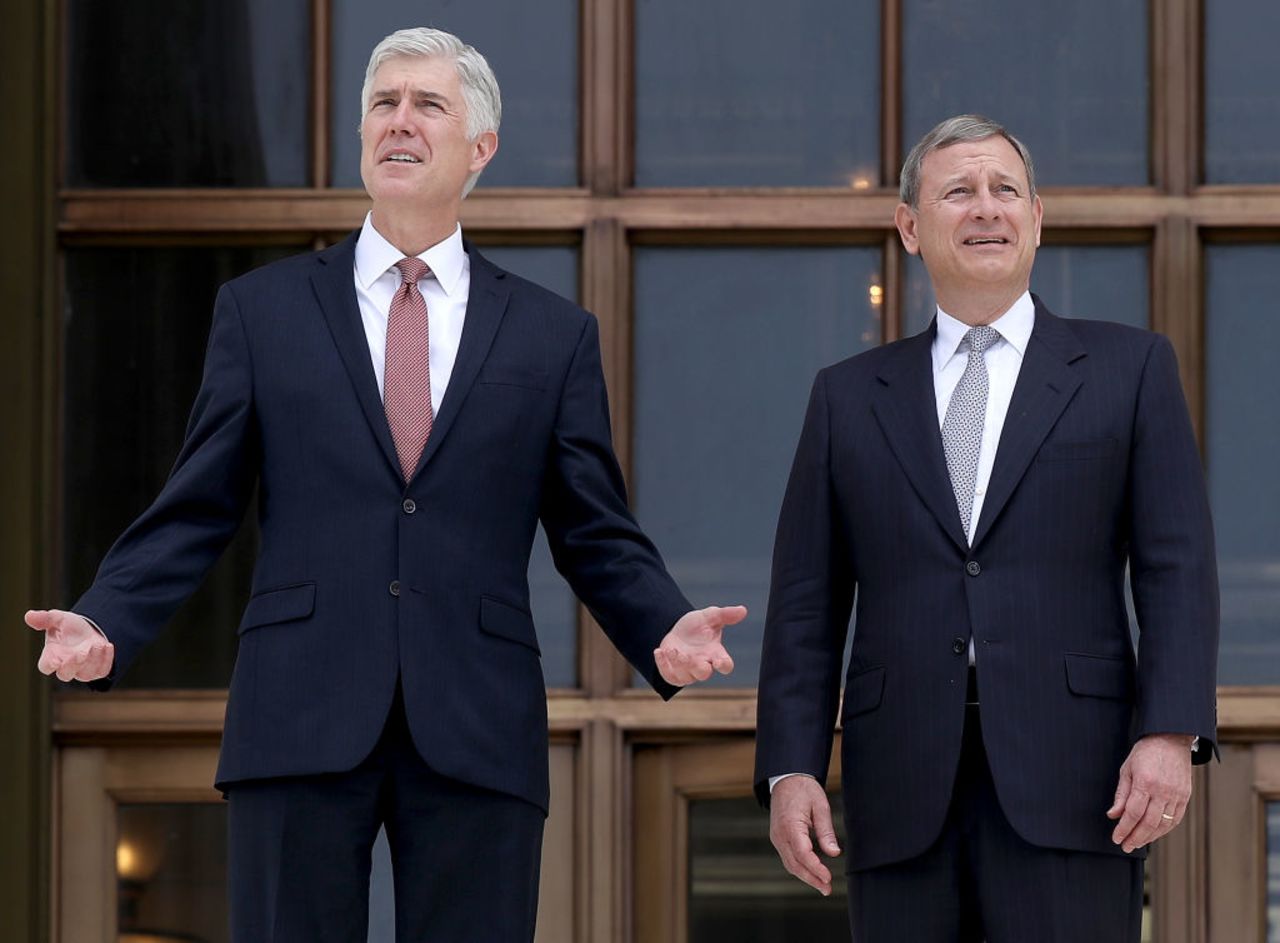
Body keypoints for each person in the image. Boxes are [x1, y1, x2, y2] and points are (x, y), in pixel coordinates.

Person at [26, 27, 744, 943]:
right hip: (297, 713)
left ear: (480, 147)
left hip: (477, 722)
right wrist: (109, 615)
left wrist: (660, 623)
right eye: (382, 103)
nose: (398, 122)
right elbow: (198, 501)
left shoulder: (550, 335)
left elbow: (591, 527)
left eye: (427, 105)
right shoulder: (263, 309)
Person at [754, 114, 1218, 942]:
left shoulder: (1130, 368)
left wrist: (1170, 729)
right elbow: (805, 603)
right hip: (900, 780)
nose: (985, 209)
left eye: (1005, 190)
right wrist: (791, 766)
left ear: (1037, 218)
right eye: (958, 191)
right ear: (910, 227)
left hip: (1077, 777)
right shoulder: (847, 395)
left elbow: (1176, 565)